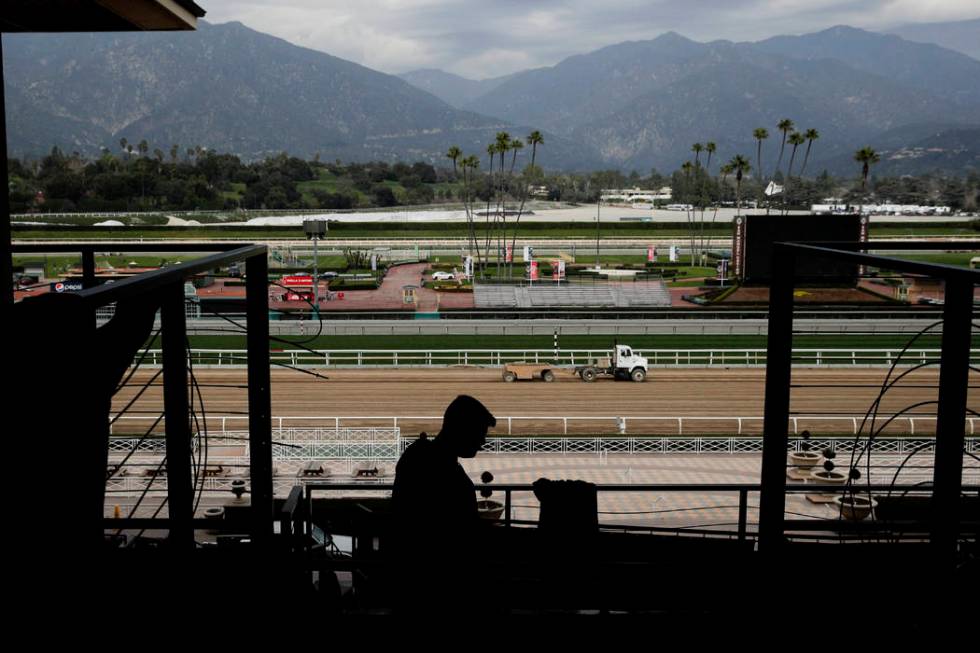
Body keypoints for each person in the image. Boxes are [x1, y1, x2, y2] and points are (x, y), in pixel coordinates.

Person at [389, 395, 496, 611]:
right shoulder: (445, 471)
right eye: (479, 434)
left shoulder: (418, 456)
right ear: (463, 430)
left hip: (414, 580)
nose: (482, 442)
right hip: (439, 584)